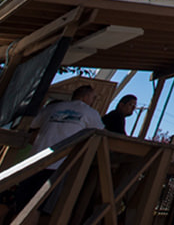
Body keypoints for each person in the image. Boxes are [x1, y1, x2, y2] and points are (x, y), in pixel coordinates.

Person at [0, 85, 104, 215]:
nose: (93, 100)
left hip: (36, 160)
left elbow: (32, 123)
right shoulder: (90, 113)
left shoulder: (53, 108)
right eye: (93, 97)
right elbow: (100, 134)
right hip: (60, 164)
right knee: (39, 207)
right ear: (86, 96)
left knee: (23, 203)